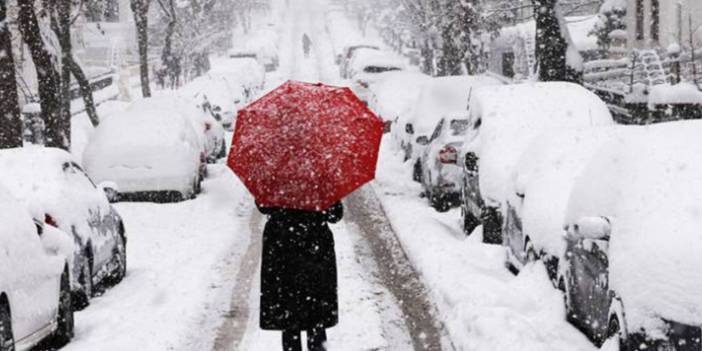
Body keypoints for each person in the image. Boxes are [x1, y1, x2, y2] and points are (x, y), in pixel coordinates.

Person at [257, 201, 343, 351]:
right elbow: (335, 215)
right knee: (316, 318)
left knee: (289, 318)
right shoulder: (320, 182)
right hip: (315, 252)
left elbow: (263, 207)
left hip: (283, 251)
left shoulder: (277, 182)